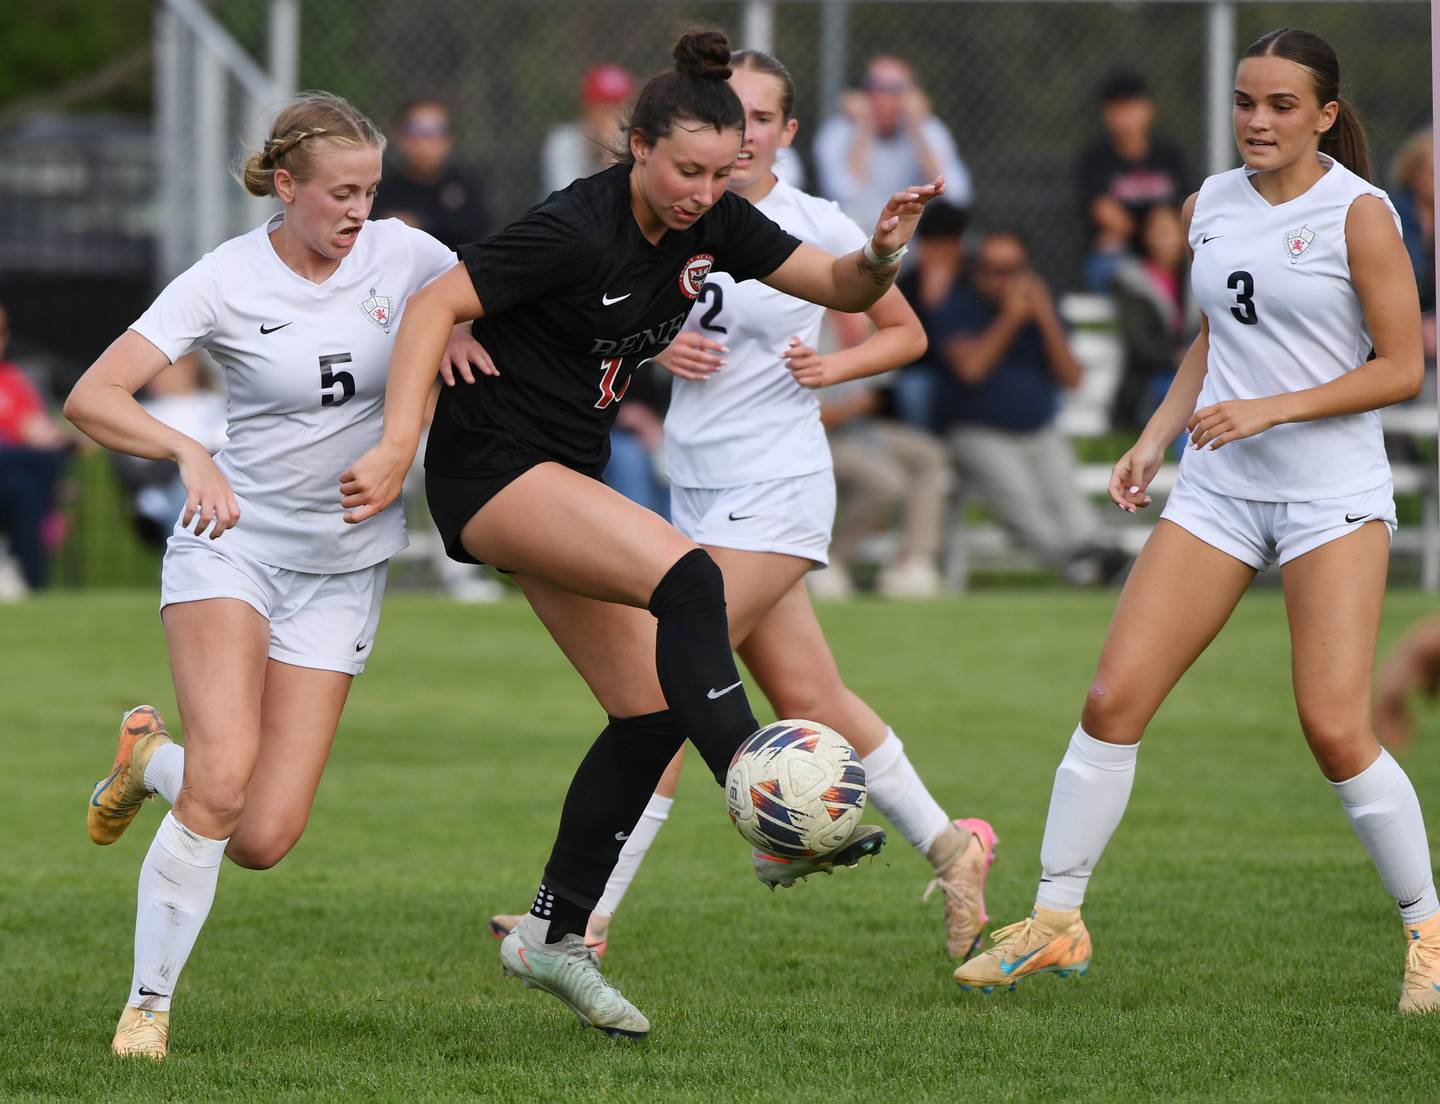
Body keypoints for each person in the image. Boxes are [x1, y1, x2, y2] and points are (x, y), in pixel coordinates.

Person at [339, 30, 946, 1039]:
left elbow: (845, 291)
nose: (701, 192)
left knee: (648, 706)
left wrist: (882, 249)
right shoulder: (578, 227)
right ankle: (761, 786)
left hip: (558, 473)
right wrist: (400, 444)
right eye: (683, 171)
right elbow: (438, 299)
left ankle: (552, 933)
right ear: (635, 147)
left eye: (720, 172)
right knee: (691, 582)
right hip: (492, 467)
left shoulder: (719, 223)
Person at [955, 28, 1438, 1014]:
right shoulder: (1205, 203)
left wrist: (1273, 407)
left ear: (1325, 117)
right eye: (1244, 102)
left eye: (1281, 106)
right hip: (1218, 489)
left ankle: (1428, 931)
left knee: (1334, 726)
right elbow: (1215, 340)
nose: (1257, 121)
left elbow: (1402, 367)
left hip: (1327, 495)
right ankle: (1056, 924)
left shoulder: (1361, 214)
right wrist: (1152, 436)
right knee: (1111, 698)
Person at [489, 48, 992, 959]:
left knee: (668, 691)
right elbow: (612, 318)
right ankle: (955, 851)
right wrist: (653, 351)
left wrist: (828, 366)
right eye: (735, 117)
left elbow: (901, 330)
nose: (748, 133)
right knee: (813, 693)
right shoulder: (679, 220)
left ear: (787, 133)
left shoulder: (806, 221)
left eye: (763, 118)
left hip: (776, 487)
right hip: (694, 487)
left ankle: (586, 920)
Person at [65, 92, 466, 1060]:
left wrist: (461, 329)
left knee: (263, 836)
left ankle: (146, 760)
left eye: (369, 191)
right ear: (285, 186)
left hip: (342, 572)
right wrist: (186, 454)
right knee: (224, 786)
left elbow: (489, 295)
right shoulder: (225, 279)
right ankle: (147, 1007)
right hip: (232, 545)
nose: (357, 211)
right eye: (338, 192)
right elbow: (92, 395)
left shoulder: (407, 253)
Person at [937, 229, 1127, 586]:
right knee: (1021, 501)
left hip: (1038, 428)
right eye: (994, 269)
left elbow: (1072, 377)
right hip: (977, 431)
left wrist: (1043, 318)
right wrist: (1010, 319)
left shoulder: (1043, 310)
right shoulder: (958, 305)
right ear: (977, 271)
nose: (1005, 279)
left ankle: (1092, 555)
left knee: (1067, 499)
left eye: (1014, 269)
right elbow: (971, 370)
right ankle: (1082, 562)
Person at [818, 375, 952, 599]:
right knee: (887, 482)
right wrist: (854, 405)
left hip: (863, 430)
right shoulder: (811, 345)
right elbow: (808, 415)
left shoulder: (864, 341)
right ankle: (830, 562)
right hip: (822, 438)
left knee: (930, 454)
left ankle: (913, 560)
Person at [813, 55, 972, 227]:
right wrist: (863, 128)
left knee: (945, 223)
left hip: (912, 232)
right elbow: (845, 193)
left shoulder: (927, 129)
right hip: (858, 234)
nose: (886, 99)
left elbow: (955, 196)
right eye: (878, 88)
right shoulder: (838, 132)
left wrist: (917, 132)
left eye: (897, 89)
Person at [1077, 71, 1189, 292]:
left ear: (1148, 109)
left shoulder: (1168, 156)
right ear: (1106, 114)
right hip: (1124, 254)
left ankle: (1186, 323)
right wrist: (1156, 230)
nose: (1125, 117)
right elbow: (1107, 215)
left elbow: (1184, 211)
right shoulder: (1095, 160)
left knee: (1200, 258)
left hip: (1170, 249)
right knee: (1108, 259)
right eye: (1118, 109)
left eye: (1132, 107)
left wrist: (1164, 232)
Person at [0, 300, 71, 593]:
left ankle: (27, 579)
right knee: (30, 467)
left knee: (25, 485)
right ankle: (49, 512)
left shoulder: (12, 382)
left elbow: (39, 432)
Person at [1110, 205, 1200, 432]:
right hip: (1149, 378)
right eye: (1158, 232)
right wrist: (1176, 358)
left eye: (1170, 232)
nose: (1165, 240)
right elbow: (1141, 343)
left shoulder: (1198, 274)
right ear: (1146, 237)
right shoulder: (1131, 280)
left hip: (1197, 368)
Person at [371, 99, 490, 249]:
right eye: (416, 130)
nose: (425, 141)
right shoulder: (379, 187)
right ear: (399, 136)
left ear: (449, 139)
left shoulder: (467, 185)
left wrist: (420, 225)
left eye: (436, 131)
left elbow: (478, 233)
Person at [540, 63, 635, 197]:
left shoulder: (634, 144)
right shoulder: (564, 140)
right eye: (605, 108)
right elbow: (567, 201)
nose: (613, 115)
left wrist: (611, 154)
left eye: (620, 106)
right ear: (588, 109)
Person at [1390, 129, 1435, 364]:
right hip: (1395, 329)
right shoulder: (1389, 213)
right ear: (1413, 174)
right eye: (1433, 172)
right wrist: (1419, 322)